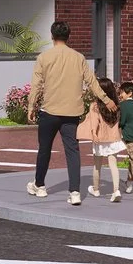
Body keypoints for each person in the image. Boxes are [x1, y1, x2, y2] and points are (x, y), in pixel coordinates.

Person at [26, 19, 98, 205]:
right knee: (72, 151)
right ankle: (75, 191)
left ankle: (40, 185)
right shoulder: (79, 57)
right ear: (68, 36)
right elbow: (92, 81)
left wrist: (31, 106)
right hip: (72, 113)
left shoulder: (44, 57)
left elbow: (36, 85)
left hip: (49, 111)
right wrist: (106, 100)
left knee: (44, 149)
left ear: (52, 36)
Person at [81, 75, 128, 202]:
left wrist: (94, 134)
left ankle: (96, 189)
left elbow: (94, 122)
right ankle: (116, 190)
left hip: (100, 139)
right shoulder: (116, 105)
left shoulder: (95, 106)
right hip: (114, 138)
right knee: (113, 165)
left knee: (97, 166)